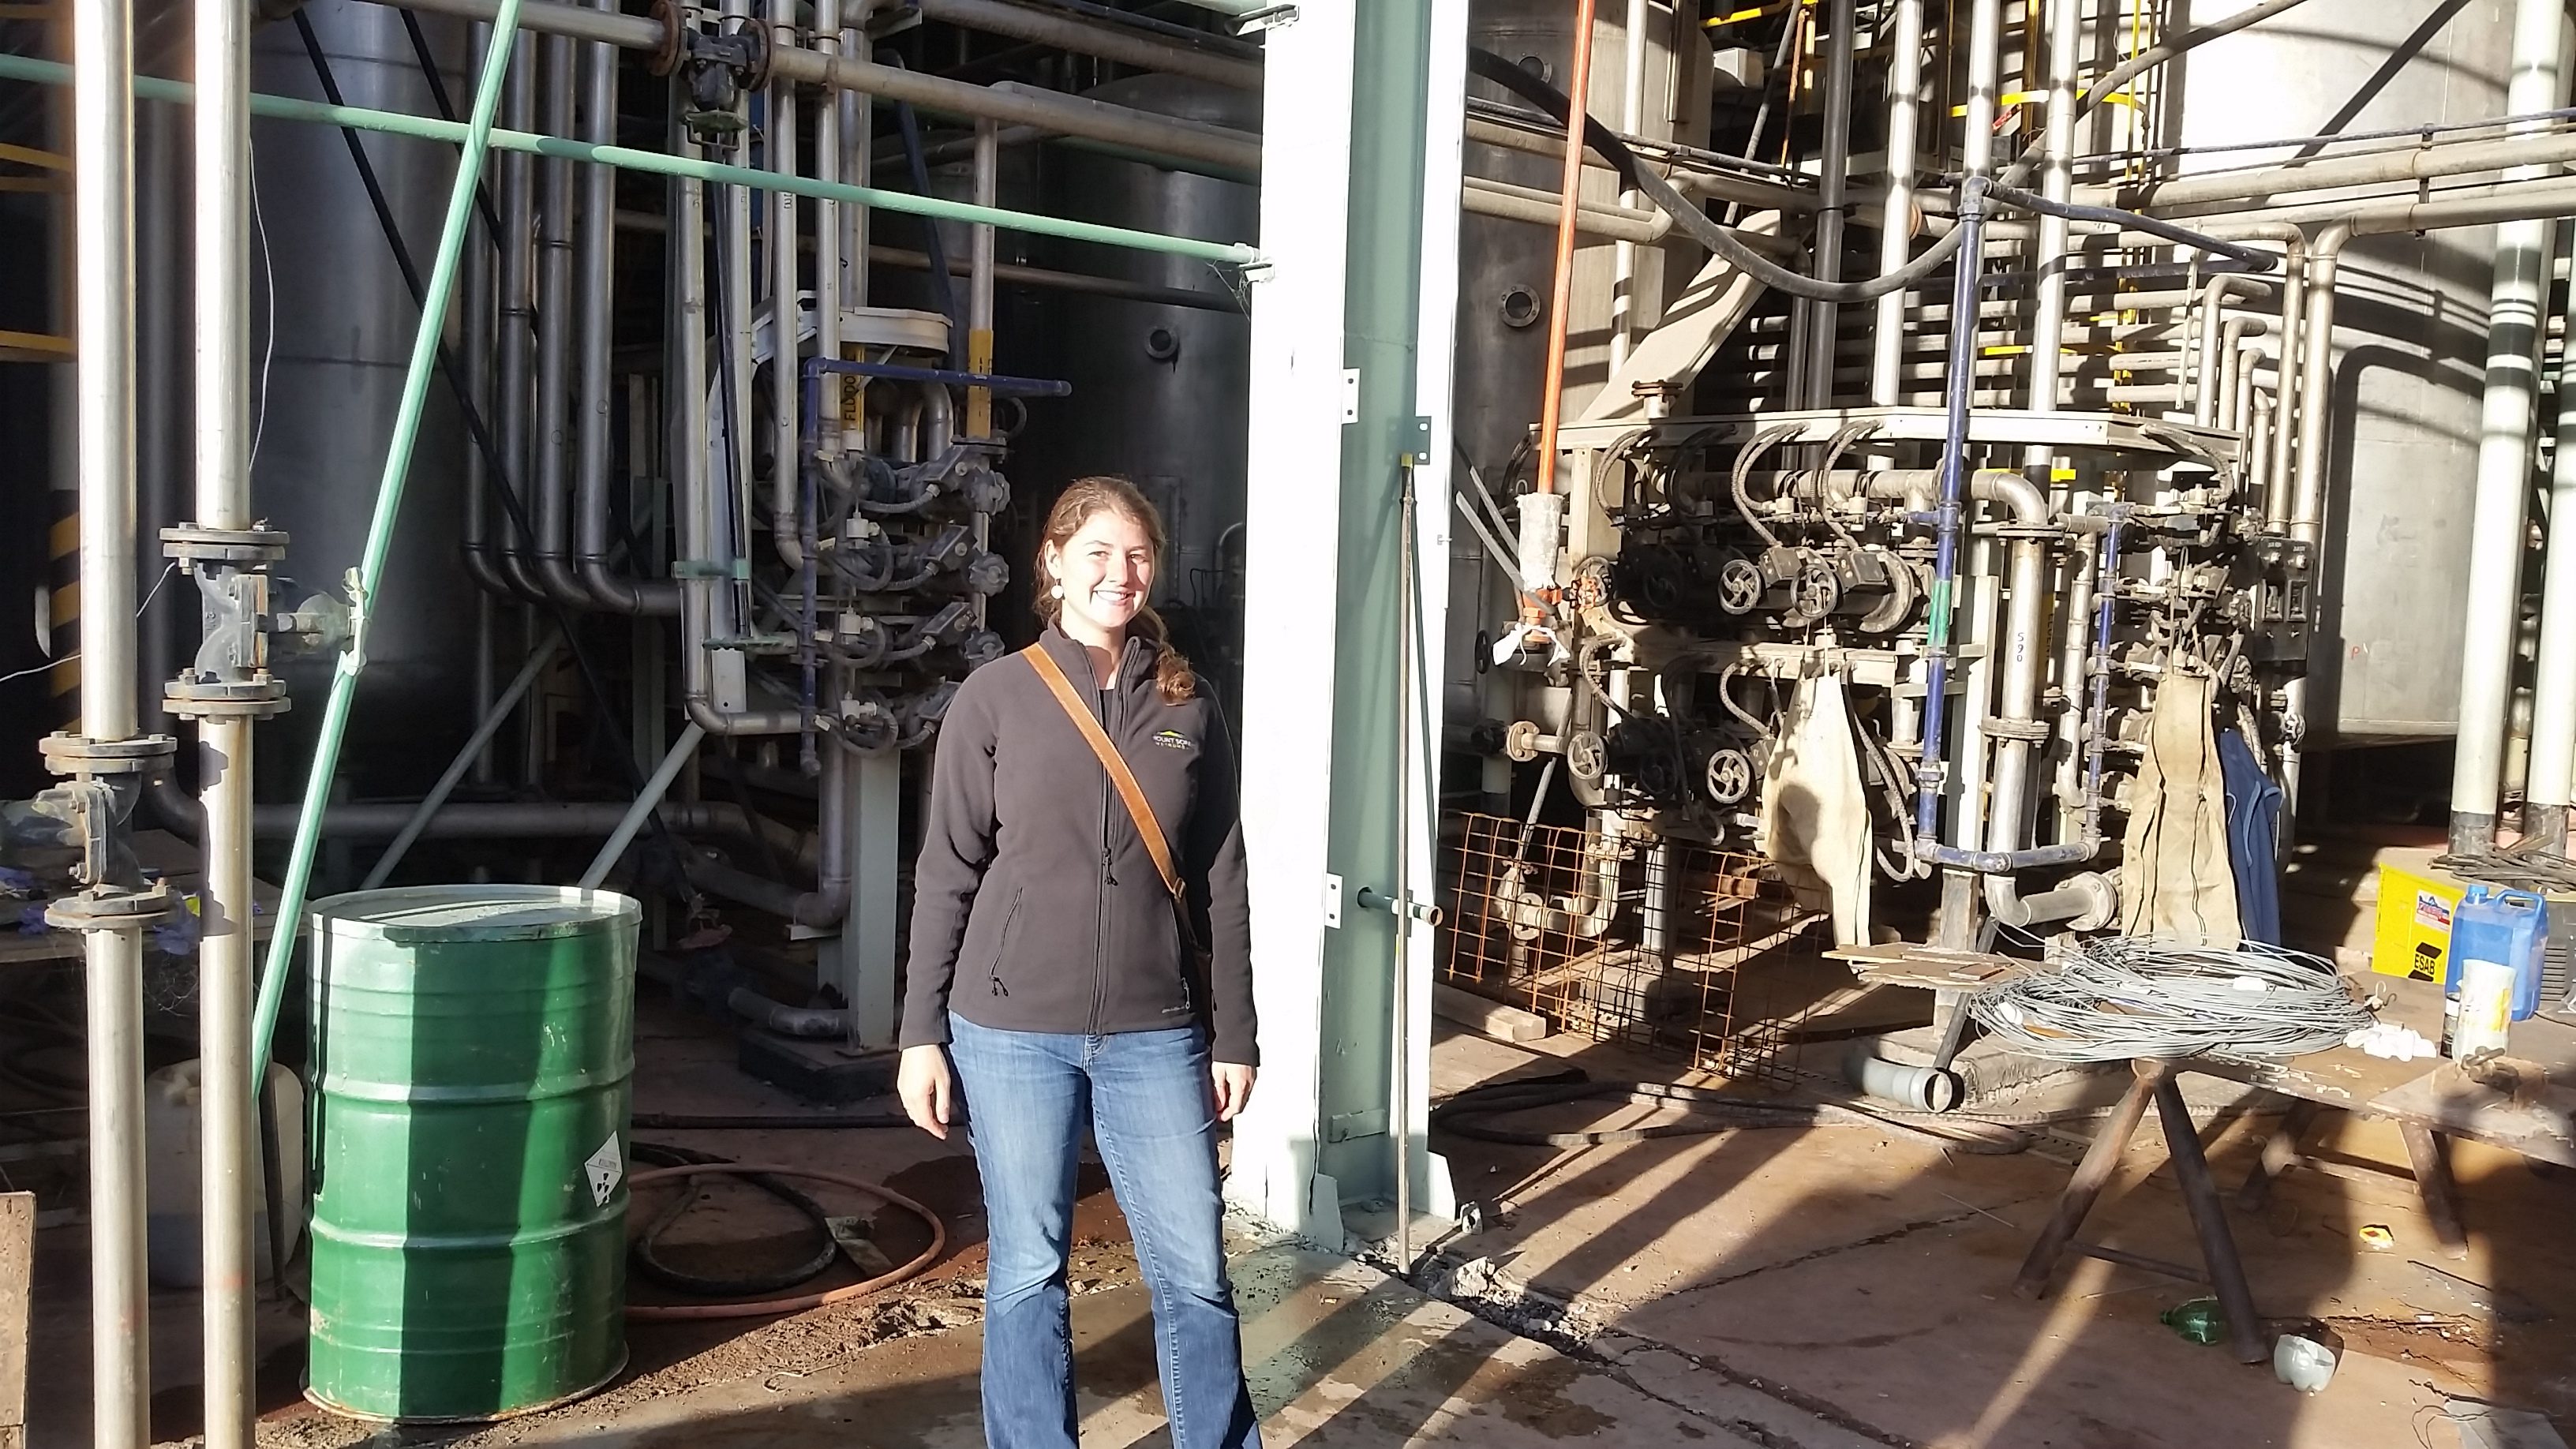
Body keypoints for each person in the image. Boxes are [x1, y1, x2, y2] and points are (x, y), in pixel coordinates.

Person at [897, 476, 1261, 1449]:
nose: (1120, 572)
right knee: (1027, 1265)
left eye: (1137, 554)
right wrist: (920, 1032)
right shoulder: (996, 696)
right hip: (1011, 1028)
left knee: (1194, 1271)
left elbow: (1223, 876)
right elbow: (948, 872)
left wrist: (1236, 1032)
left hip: (1155, 1032)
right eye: (1097, 551)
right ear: (1052, 563)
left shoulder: (1189, 705)